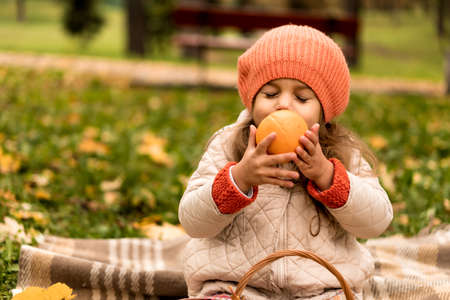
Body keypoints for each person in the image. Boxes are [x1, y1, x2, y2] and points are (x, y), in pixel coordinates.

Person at [178, 24, 393, 300]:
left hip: (322, 289)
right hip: (235, 287)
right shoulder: (228, 145)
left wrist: (328, 176)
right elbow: (193, 222)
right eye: (270, 94)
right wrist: (239, 179)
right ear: (252, 100)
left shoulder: (341, 153)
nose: (284, 104)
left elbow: (376, 222)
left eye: (302, 97)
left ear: (323, 110)